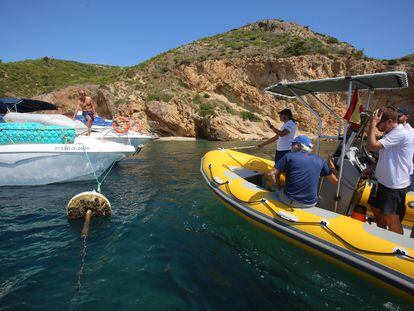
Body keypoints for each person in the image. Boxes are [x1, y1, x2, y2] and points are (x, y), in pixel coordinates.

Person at [366, 107, 414, 234]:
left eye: (379, 124)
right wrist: (372, 166)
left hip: (394, 185)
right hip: (383, 181)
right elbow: (387, 154)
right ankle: (383, 234)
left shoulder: (400, 133)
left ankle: (397, 246)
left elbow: (372, 146)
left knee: (391, 217)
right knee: (375, 207)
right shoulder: (390, 133)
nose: (377, 127)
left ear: (389, 122)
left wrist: (371, 125)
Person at [268, 135, 338, 208]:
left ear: (298, 145)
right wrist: (332, 168)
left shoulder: (289, 156)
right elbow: (335, 181)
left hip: (291, 201)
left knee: (276, 189)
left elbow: (271, 174)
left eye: (293, 144)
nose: (291, 146)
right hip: (311, 203)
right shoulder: (321, 160)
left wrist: (275, 186)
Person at [397, 106, 414, 192]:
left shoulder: (411, 132)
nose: (397, 118)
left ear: (406, 117)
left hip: (405, 174)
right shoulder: (394, 130)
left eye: (399, 116)